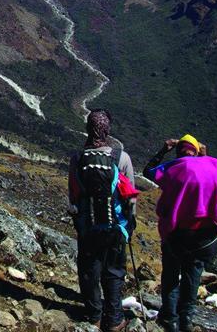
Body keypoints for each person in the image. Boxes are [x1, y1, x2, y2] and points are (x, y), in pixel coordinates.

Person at [143, 135, 217, 332]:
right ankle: (186, 320)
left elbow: (148, 172)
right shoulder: (215, 167)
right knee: (193, 276)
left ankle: (169, 319)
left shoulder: (176, 168)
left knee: (171, 274)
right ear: (197, 151)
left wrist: (164, 150)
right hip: (205, 238)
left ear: (179, 151)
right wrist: (205, 156)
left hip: (177, 235)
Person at [68, 109, 139, 332]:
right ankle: (115, 319)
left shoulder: (78, 158)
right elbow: (130, 196)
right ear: (107, 129)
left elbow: (74, 194)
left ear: (88, 128)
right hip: (115, 226)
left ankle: (93, 316)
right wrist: (130, 225)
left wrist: (79, 220)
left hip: (88, 227)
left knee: (90, 270)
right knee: (114, 271)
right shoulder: (121, 158)